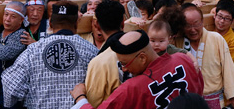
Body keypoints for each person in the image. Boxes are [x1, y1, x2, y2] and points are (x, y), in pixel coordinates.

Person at [2, 1, 98, 109]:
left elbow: (11, 85)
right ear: (76, 23)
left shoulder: (33, 50)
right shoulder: (91, 51)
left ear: (51, 24)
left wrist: (12, 104)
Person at [72, 30, 204, 109]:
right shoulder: (184, 59)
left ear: (142, 58)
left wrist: (80, 98)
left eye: (124, 63)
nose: (124, 69)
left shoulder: (132, 88)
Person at [181, 4, 234, 109]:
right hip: (188, 101)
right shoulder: (178, 42)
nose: (192, 30)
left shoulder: (216, 38)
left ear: (202, 22)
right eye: (187, 25)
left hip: (213, 98)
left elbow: (228, 68)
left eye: (196, 24)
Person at [0, 1, 28, 109]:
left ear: (21, 20)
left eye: (13, 16)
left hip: (8, 87)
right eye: (6, 14)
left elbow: (5, 54)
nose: (7, 19)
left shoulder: (21, 35)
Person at [83, 0, 126, 107]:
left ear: (96, 24)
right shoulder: (143, 48)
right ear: (123, 22)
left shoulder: (99, 62)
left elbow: (92, 102)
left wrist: (79, 96)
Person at [213, 0, 234, 67]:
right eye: (220, 16)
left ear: (232, 21)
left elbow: (228, 65)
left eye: (226, 18)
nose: (222, 21)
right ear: (214, 15)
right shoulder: (208, 33)